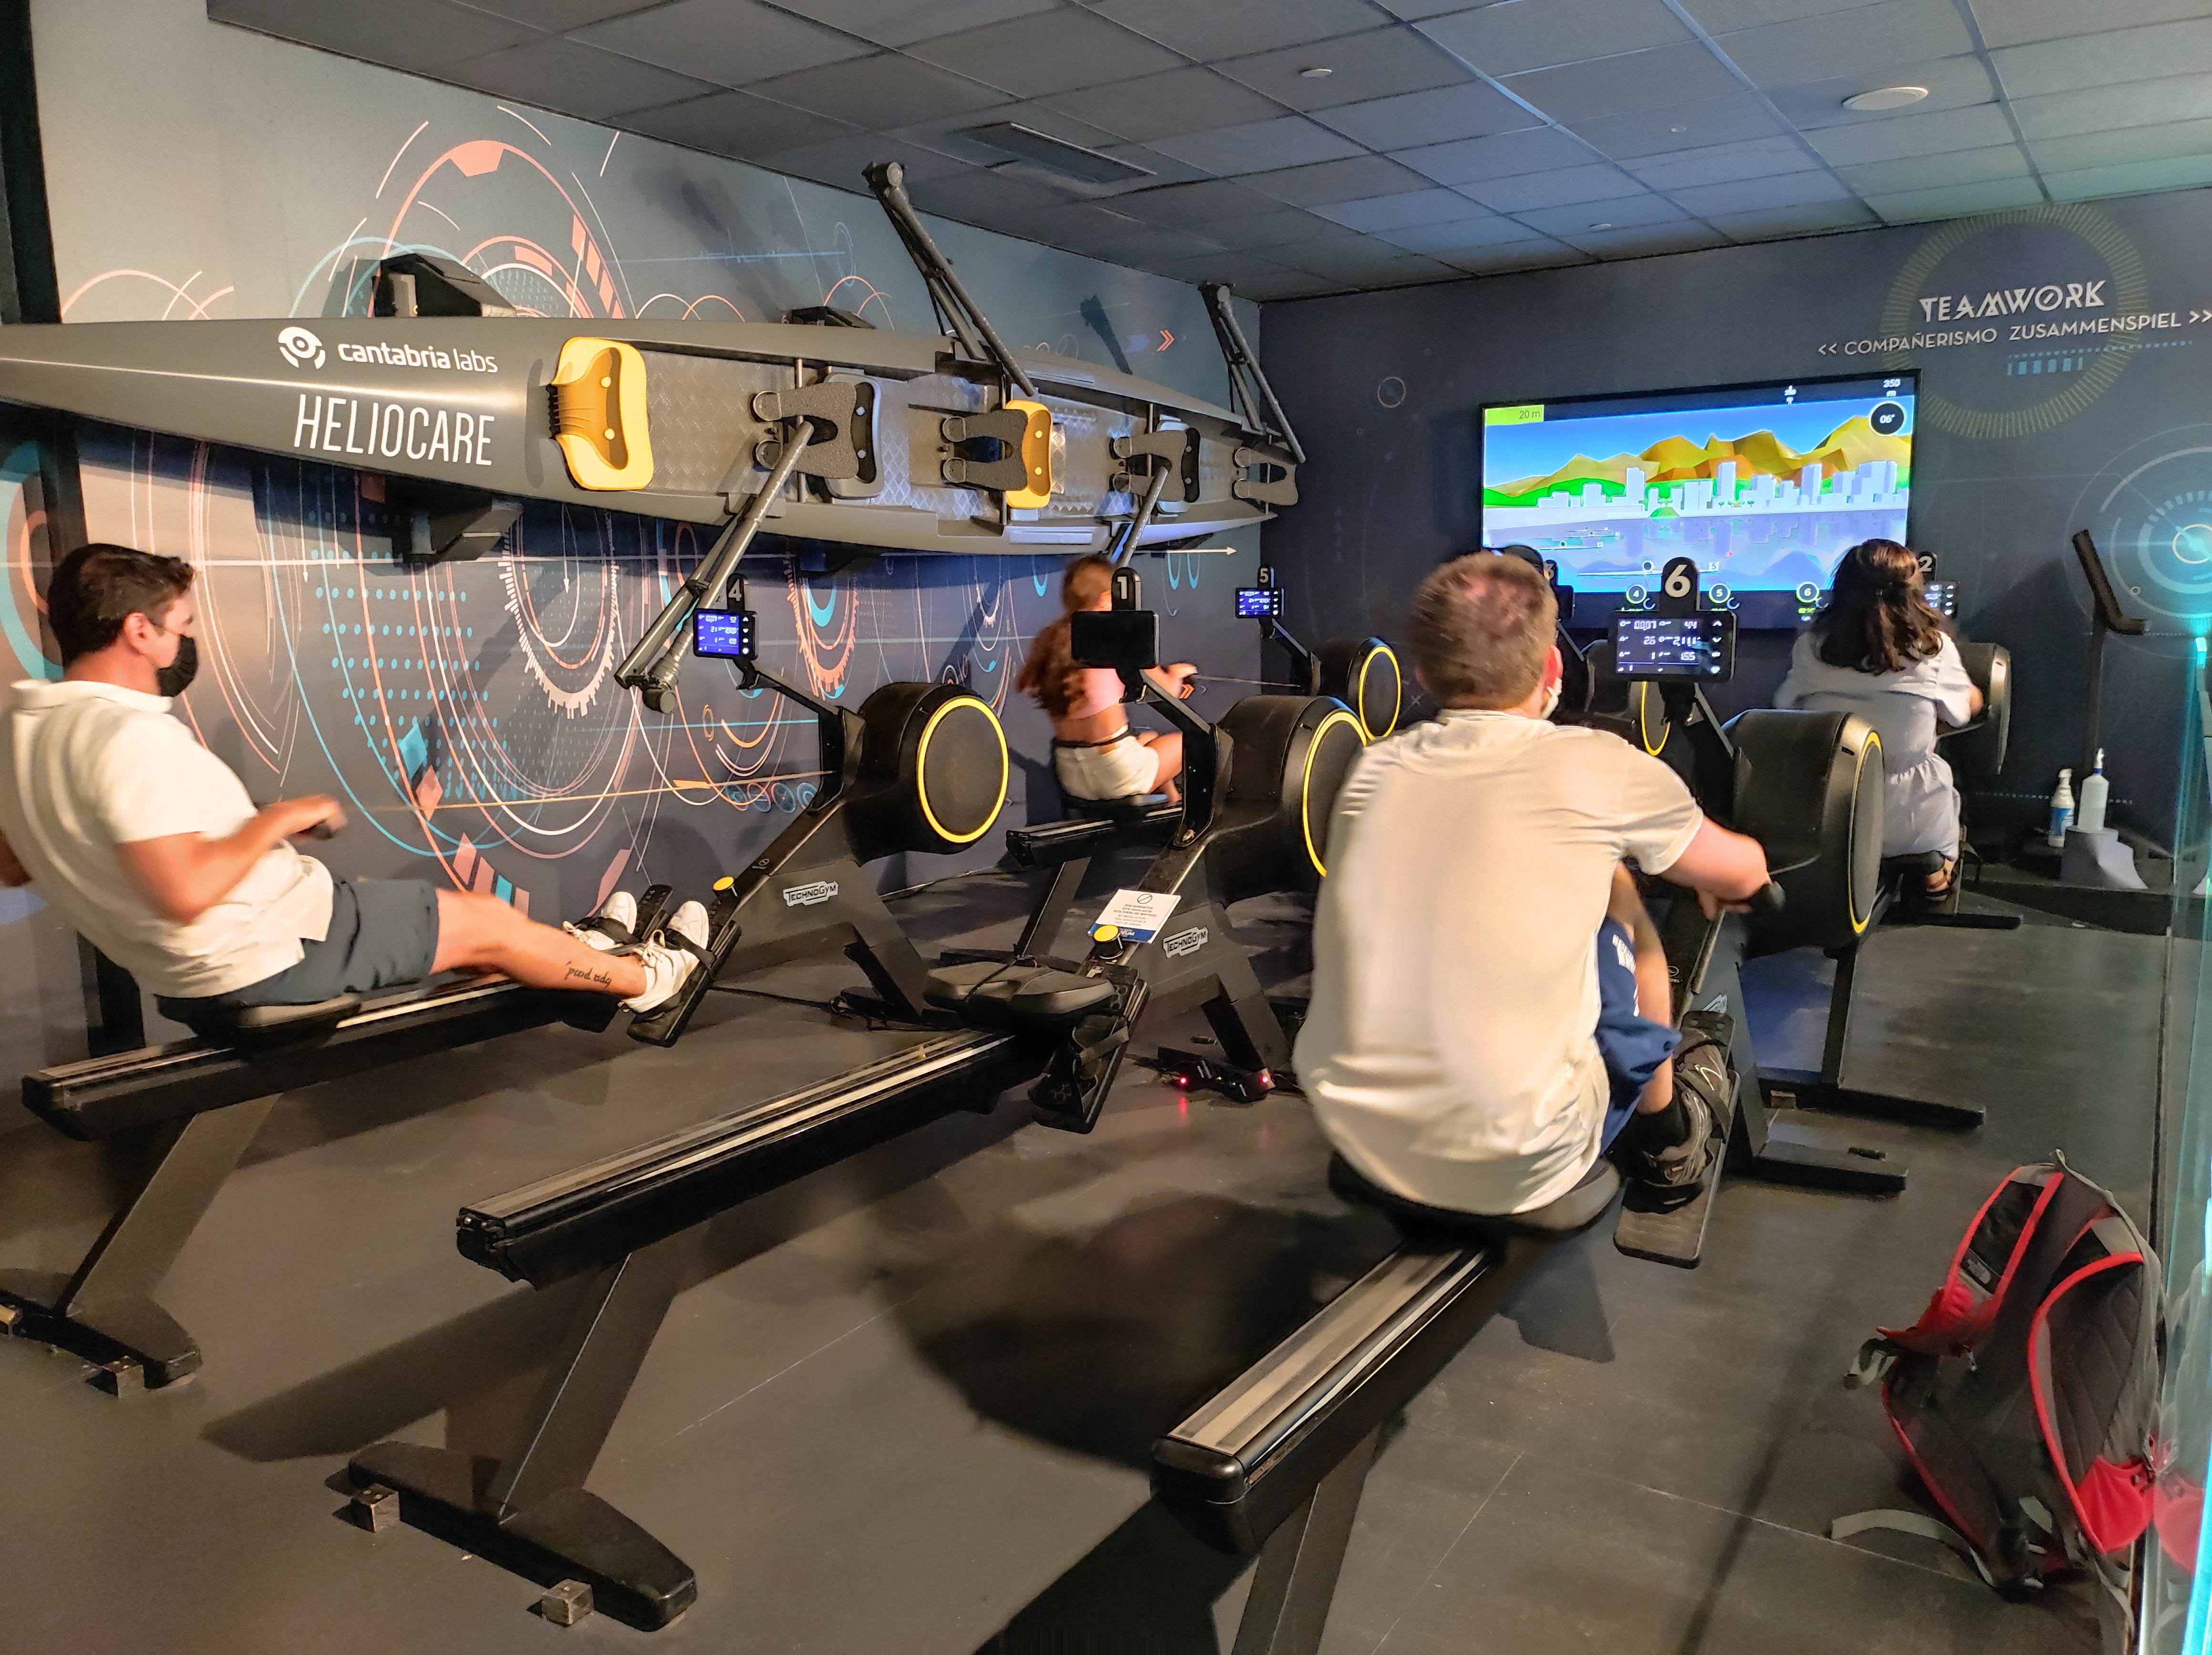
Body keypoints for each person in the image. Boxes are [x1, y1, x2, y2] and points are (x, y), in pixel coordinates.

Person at [0, 543, 708, 1032]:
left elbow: (16, 863)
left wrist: (229, 831)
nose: (184, 643)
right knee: (487, 924)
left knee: (476, 933)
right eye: (179, 628)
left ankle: (579, 960)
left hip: (216, 955)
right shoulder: (130, 738)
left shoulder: (29, 730)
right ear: (139, 631)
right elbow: (183, 891)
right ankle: (649, 981)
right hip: (265, 952)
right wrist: (277, 819)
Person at [1294, 552, 1771, 1218]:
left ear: (1423, 674)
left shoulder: (1376, 767)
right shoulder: (1597, 765)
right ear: (1552, 667)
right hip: (1526, 1156)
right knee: (1623, 905)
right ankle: (1665, 1137)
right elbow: (1743, 871)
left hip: (1352, 1128)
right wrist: (1727, 879)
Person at [1774, 538, 1982, 899]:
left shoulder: (1811, 647)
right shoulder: (1934, 649)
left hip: (1827, 815)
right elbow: (1963, 712)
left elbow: (1785, 708)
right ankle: (1934, 875)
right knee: (1937, 767)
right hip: (1911, 822)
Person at [1016, 553, 1198, 805]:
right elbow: (1167, 690)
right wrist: (1176, 675)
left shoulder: (1048, 640)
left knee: (1149, 739)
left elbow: (1032, 684)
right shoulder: (1116, 638)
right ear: (1105, 599)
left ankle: (1172, 800)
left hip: (1072, 775)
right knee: (1199, 742)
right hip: (1117, 773)